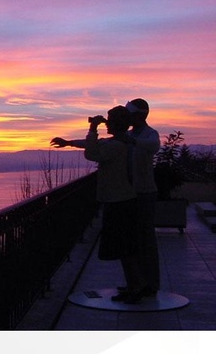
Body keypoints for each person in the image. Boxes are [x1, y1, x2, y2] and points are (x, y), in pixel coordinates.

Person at [53, 106, 147, 303]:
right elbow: (93, 146)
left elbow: (92, 153)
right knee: (125, 247)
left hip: (119, 201)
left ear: (116, 123)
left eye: (109, 120)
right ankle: (134, 285)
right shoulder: (120, 142)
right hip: (122, 199)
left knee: (125, 248)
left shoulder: (117, 146)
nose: (107, 123)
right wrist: (69, 142)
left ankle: (136, 288)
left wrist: (93, 128)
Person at [118, 98, 161, 295]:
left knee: (146, 240)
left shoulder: (150, 134)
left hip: (145, 193)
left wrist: (132, 141)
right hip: (129, 195)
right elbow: (104, 144)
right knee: (132, 240)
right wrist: (69, 142)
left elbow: (153, 146)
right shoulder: (127, 135)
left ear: (140, 115)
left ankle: (150, 284)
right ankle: (136, 282)